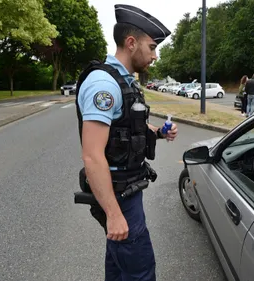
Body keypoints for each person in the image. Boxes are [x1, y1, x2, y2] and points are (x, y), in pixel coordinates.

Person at [73, 4, 177, 281]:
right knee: (140, 272)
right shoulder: (103, 86)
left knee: (119, 267)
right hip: (119, 196)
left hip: (127, 190)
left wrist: (157, 132)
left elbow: (124, 129)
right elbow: (92, 155)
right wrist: (114, 214)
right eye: (152, 47)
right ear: (131, 43)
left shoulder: (123, 81)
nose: (155, 56)